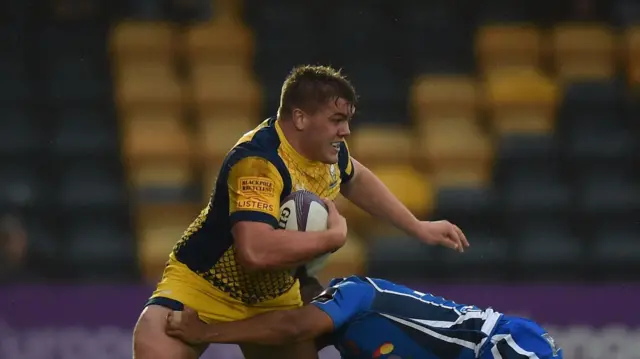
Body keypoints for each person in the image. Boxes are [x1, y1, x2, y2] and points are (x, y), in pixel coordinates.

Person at [132, 65, 469, 359]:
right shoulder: (259, 162)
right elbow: (256, 251)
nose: (345, 131)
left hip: (274, 295)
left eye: (347, 121)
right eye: (337, 120)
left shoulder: (328, 152)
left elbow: (355, 176)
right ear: (300, 117)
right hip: (201, 286)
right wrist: (331, 239)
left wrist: (417, 226)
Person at [166, 275, 563, 359]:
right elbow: (280, 337)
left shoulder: (354, 292)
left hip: (497, 343)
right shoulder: (350, 344)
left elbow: (292, 326)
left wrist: (208, 331)